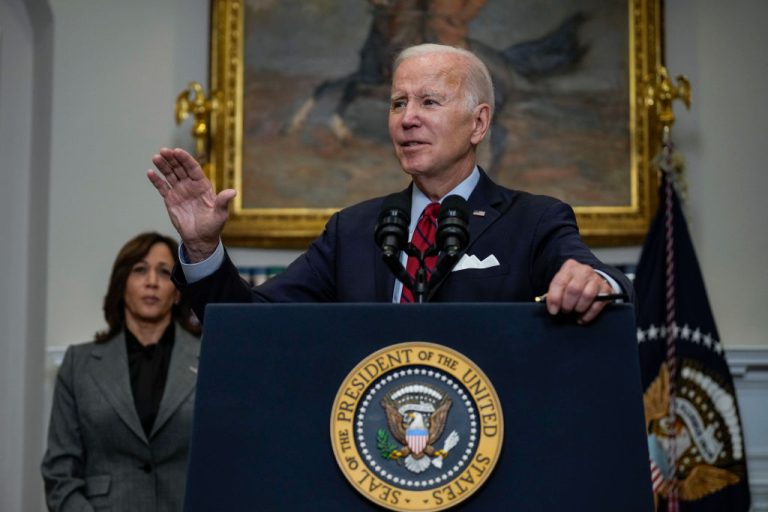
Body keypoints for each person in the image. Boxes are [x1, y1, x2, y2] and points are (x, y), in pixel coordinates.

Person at [146, 43, 632, 323]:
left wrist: (594, 282)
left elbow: (603, 280)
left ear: (479, 124)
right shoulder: (352, 231)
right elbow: (248, 323)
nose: (407, 119)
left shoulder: (533, 220)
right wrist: (204, 246)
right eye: (398, 103)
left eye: (429, 103)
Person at [41, 232, 202, 512]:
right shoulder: (79, 364)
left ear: (177, 292)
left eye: (164, 273)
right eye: (140, 270)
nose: (151, 282)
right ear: (122, 284)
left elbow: (228, 459)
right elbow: (60, 472)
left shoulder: (208, 357)